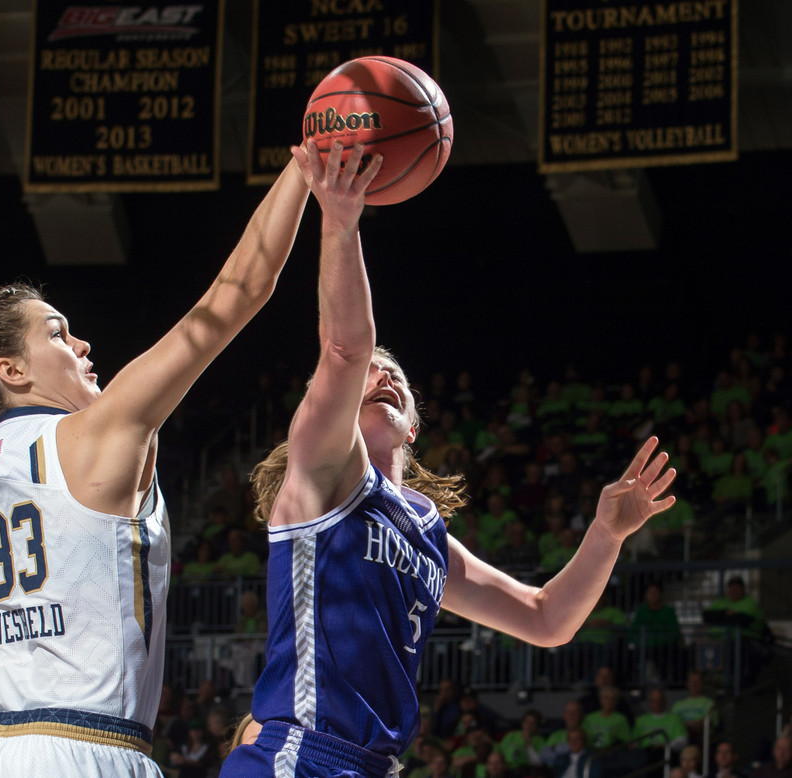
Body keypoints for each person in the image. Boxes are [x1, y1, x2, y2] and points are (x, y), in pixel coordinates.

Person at [219, 139, 676, 778]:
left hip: (374, 765)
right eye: (369, 373)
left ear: (412, 428)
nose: (381, 373)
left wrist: (606, 533)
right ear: (327, 407)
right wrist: (341, 220)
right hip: (302, 754)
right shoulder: (321, 477)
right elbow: (347, 349)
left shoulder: (427, 532)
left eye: (395, 373)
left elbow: (548, 620)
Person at [0, 148, 310, 775]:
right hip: (82, 744)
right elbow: (236, 293)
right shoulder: (98, 435)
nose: (82, 343)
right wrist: (305, 166)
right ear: (11, 371)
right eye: (59, 333)